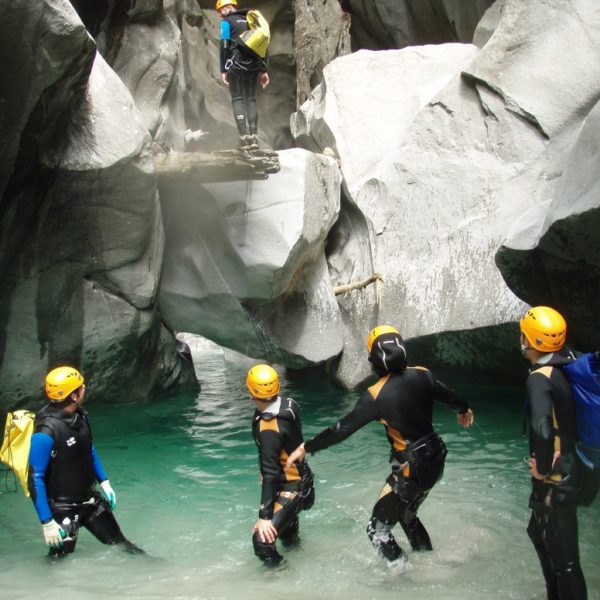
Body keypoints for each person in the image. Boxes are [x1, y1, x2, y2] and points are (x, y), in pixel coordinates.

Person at [286, 325, 474, 562]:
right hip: (435, 459)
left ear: (374, 359)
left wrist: (307, 447)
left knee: (377, 531)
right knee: (407, 515)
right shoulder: (423, 374)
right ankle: (428, 562)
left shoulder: (375, 395)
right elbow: (452, 397)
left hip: (411, 469)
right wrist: (464, 409)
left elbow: (341, 430)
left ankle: (404, 577)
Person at [28, 366, 142, 556]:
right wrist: (47, 522)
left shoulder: (79, 415)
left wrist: (104, 481)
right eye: (81, 386)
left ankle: (158, 570)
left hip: (91, 503)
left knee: (122, 544)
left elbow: (88, 448)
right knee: (59, 560)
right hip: (63, 510)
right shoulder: (45, 432)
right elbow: (35, 477)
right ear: (73, 396)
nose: (84, 388)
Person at [520, 306, 587, 599]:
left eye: (523, 334)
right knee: (538, 533)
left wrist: (543, 470)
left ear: (531, 341)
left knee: (566, 562)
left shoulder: (540, 377)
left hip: (556, 480)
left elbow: (543, 430)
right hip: (574, 466)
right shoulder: (570, 360)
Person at [247, 364, 314, 565]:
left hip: (292, 487)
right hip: (302, 479)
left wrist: (264, 517)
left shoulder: (268, 425)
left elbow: (270, 472)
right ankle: (301, 561)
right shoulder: (288, 404)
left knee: (262, 541)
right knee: (287, 535)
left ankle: (281, 579)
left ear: (251, 392)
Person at [217, 0, 269, 150]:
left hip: (235, 64)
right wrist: (264, 70)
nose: (220, 14)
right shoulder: (251, 19)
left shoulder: (227, 22)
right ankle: (254, 138)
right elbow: (263, 45)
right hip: (254, 65)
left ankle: (243, 139)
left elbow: (224, 44)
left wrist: (223, 70)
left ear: (227, 7)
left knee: (238, 99)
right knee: (251, 100)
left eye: (220, 10)